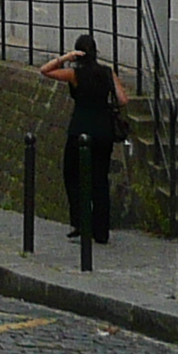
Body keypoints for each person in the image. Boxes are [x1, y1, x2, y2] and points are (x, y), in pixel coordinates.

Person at [43, 35, 134, 246]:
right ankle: (101, 231)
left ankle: (81, 223)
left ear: (78, 53)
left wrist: (66, 57)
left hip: (80, 131)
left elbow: (45, 70)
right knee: (100, 180)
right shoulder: (107, 72)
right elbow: (123, 99)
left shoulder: (74, 74)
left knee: (73, 176)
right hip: (104, 131)